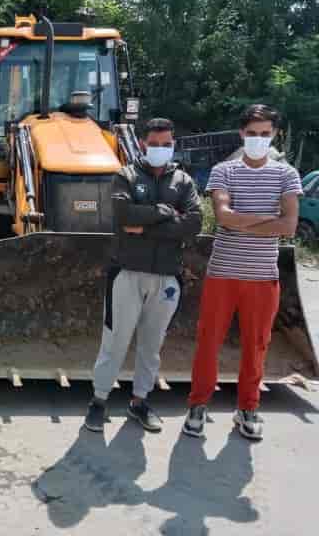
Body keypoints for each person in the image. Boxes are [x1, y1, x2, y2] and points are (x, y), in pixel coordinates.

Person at [183, 105, 302, 441]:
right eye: (252, 133)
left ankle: (248, 408)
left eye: (265, 134)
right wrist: (268, 220)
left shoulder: (287, 175)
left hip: (263, 277)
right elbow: (223, 216)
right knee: (208, 342)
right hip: (222, 274)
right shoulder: (224, 171)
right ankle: (198, 405)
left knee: (257, 345)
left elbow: (289, 226)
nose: (258, 139)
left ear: (274, 134)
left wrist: (242, 220)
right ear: (241, 134)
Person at [85, 118, 202, 433]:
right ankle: (98, 402)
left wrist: (145, 227)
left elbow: (194, 223)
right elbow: (124, 215)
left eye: (166, 144)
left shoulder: (183, 181)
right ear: (142, 143)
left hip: (167, 277)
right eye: (154, 143)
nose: (160, 148)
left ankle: (139, 402)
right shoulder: (125, 176)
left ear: (173, 144)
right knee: (115, 341)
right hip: (127, 273)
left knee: (151, 345)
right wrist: (166, 212)